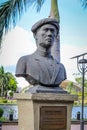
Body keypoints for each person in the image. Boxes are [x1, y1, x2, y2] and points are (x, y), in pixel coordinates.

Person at [15, 18, 66, 88]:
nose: (49, 34)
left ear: (56, 36)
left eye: (52, 31)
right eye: (45, 30)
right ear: (35, 35)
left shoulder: (61, 67)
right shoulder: (24, 61)